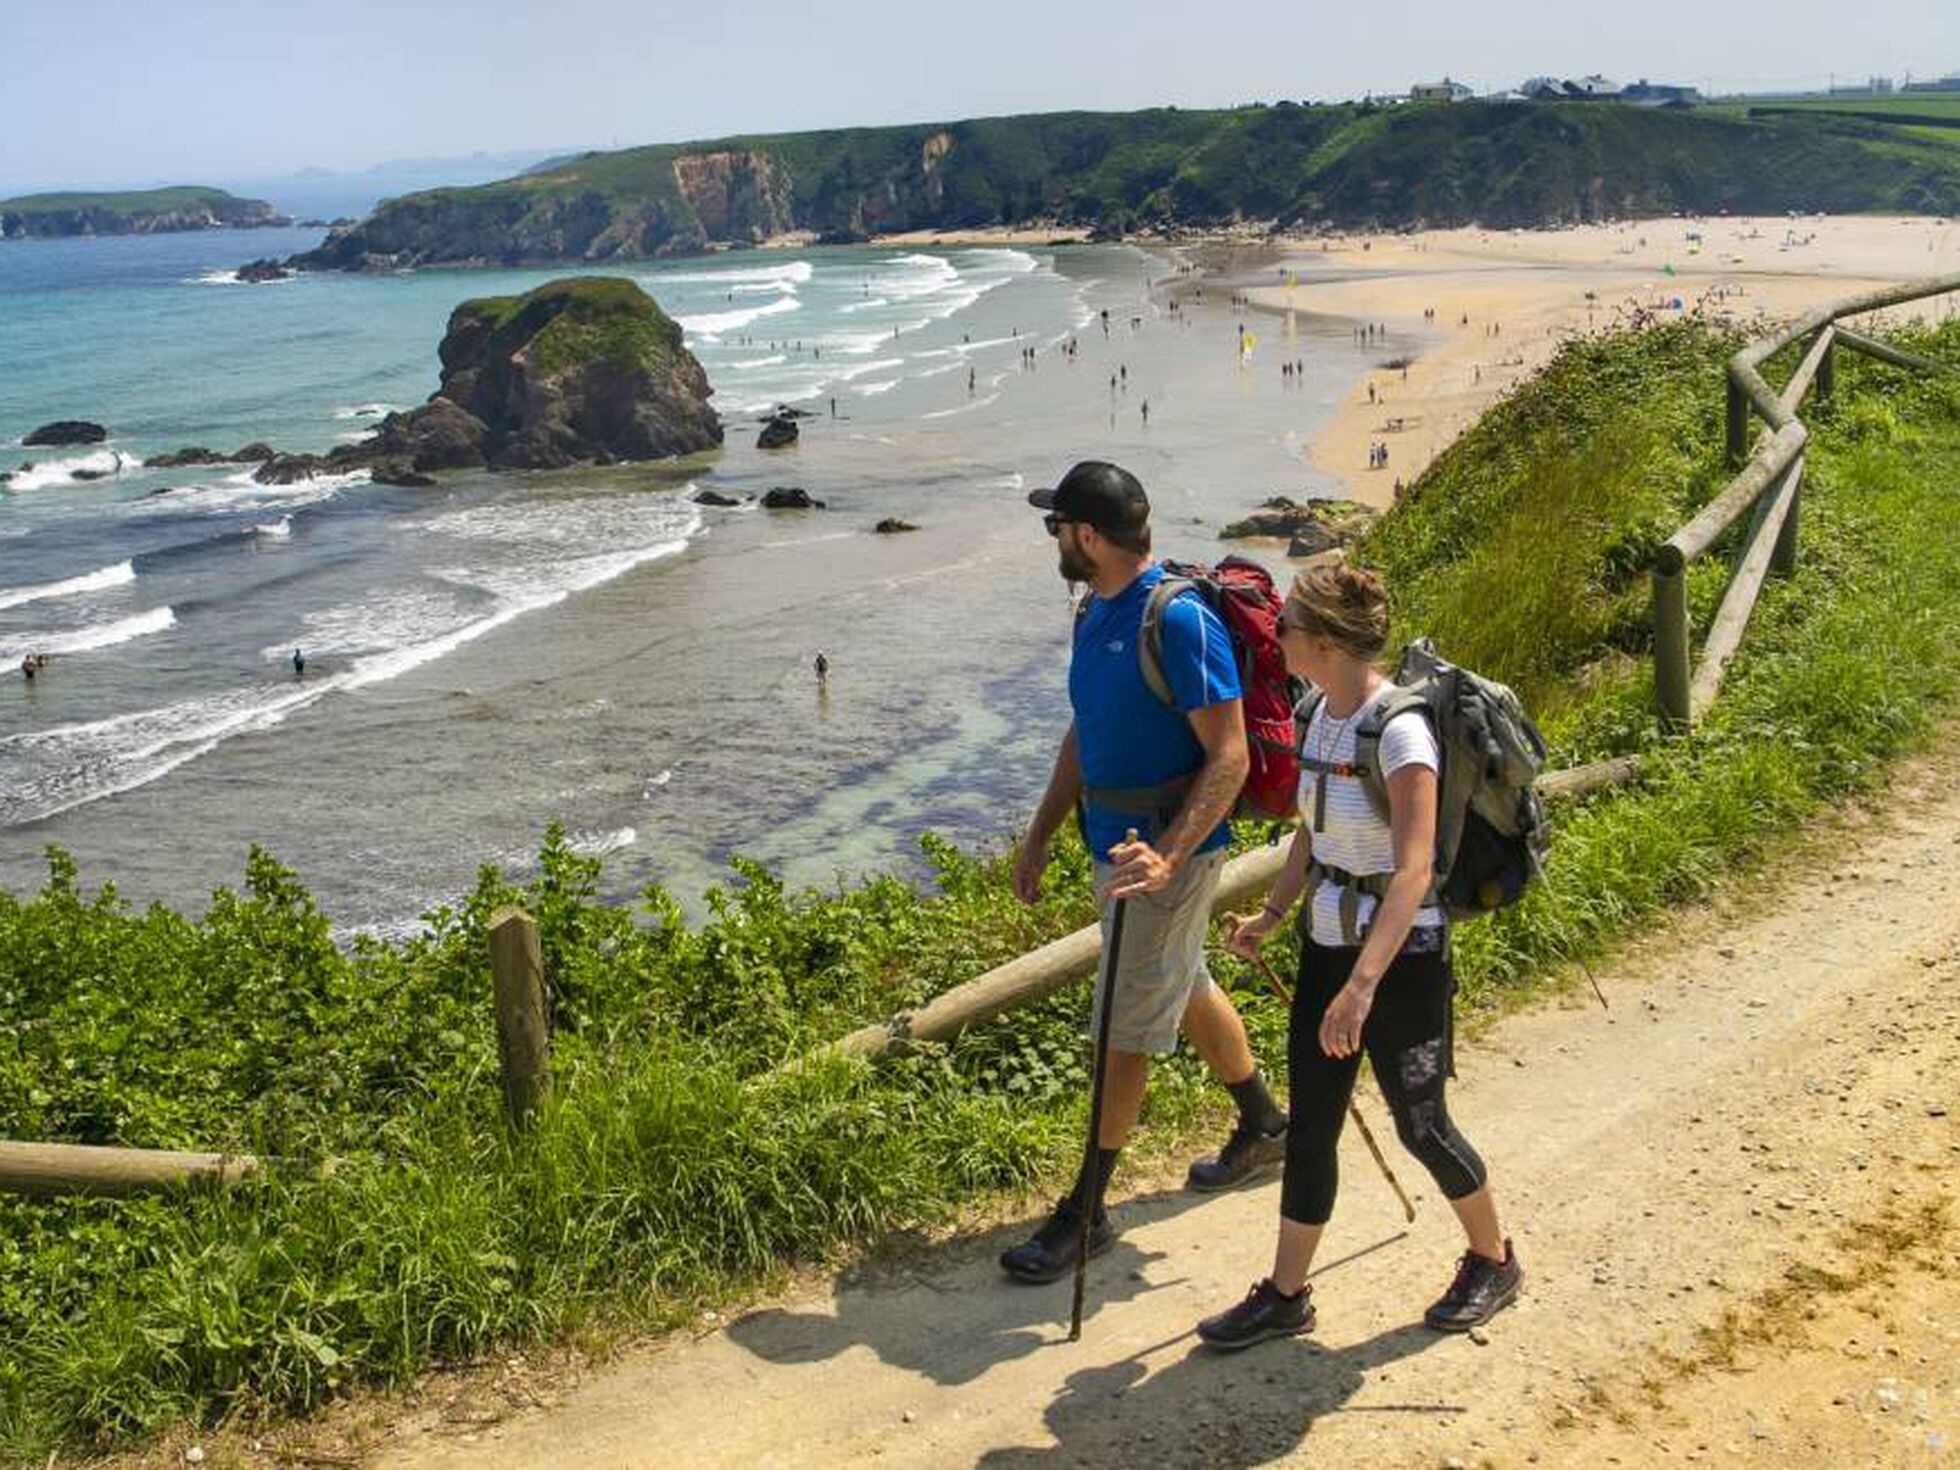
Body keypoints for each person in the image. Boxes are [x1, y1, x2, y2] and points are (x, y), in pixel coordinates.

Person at [1195, 562, 1520, 1350]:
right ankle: (1285, 1294)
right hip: (1328, 943)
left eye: (1291, 626)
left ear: (1327, 641)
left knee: (1422, 1125)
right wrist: (1274, 914)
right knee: (1312, 1125)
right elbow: (1313, 827)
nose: (1278, 635)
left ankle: (1494, 1259)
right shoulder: (1316, 714)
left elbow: (1413, 871)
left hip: (1400, 958)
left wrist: (1361, 988)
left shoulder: (1401, 732)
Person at [1002, 461, 1288, 1286]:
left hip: (1163, 861)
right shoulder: (1095, 611)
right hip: (1113, 850)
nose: (1053, 538)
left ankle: (1086, 1212)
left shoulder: (1179, 621)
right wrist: (1041, 834)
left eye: (1058, 525)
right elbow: (1085, 732)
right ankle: (1265, 1124)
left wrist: (1169, 857)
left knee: (1124, 1029)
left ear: (1088, 536)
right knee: (1183, 981)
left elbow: (1229, 756)